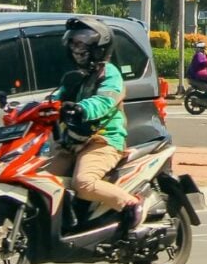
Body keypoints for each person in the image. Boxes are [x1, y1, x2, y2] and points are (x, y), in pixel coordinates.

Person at [48, 17, 142, 232]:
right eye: (73, 43)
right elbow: (54, 99)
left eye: (82, 43)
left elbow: (105, 100)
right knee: (44, 181)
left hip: (103, 140)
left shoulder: (109, 74)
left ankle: (131, 204)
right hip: (74, 142)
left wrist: (82, 108)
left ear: (98, 47)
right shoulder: (75, 77)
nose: (76, 48)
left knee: (83, 183)